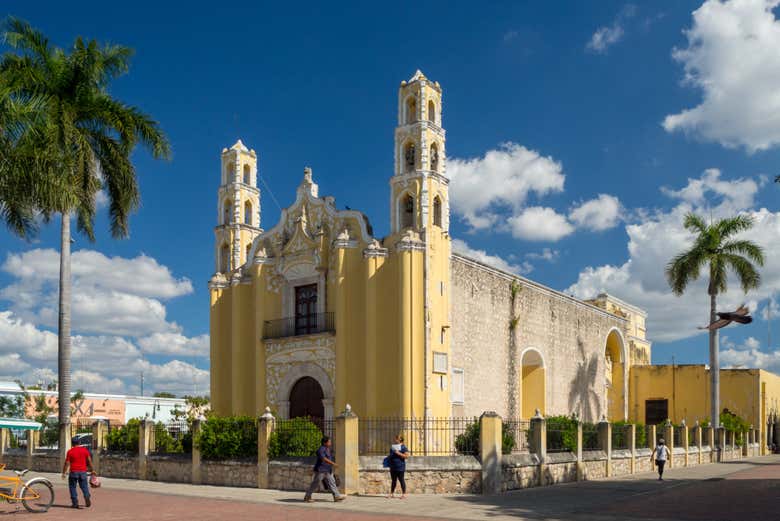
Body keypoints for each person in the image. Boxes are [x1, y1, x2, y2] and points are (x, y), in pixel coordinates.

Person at [304, 436, 345, 503]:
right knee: (315, 483)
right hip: (321, 470)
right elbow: (323, 458)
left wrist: (331, 466)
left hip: (328, 470)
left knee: (332, 482)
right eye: (329, 442)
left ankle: (336, 496)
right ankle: (307, 496)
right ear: (324, 443)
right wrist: (333, 463)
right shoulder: (321, 449)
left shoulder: (328, 449)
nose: (330, 443)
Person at [62, 437, 95, 508]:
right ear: (79, 443)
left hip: (73, 472)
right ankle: (86, 495)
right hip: (83, 472)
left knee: (72, 487)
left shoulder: (70, 452)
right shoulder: (84, 450)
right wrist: (92, 470)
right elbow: (89, 460)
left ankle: (75, 503)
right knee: (84, 486)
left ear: (72, 443)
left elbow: (67, 463)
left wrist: (64, 473)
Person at [386, 434, 410, 499]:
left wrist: (398, 453)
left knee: (401, 480)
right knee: (393, 480)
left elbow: (406, 456)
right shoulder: (393, 447)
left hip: (400, 467)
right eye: (395, 438)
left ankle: (404, 494)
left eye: (397, 438)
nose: (395, 440)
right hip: (393, 466)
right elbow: (390, 455)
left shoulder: (403, 447)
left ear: (400, 439)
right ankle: (391, 494)